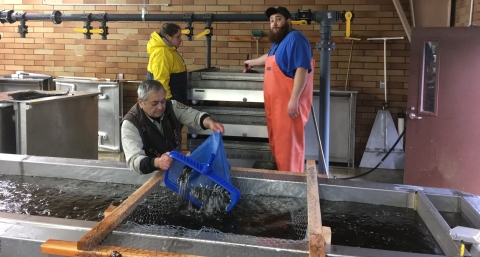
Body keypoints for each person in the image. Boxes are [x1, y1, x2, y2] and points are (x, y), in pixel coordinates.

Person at [244, 6, 314, 173]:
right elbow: (268, 59)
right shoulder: (279, 42)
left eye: (278, 19)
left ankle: (292, 185)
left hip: (287, 106)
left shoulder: (295, 39)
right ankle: (283, 180)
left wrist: (294, 100)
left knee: (288, 149)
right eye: (271, 20)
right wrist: (251, 62)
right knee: (278, 145)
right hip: (275, 108)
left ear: (288, 21)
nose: (274, 23)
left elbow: (302, 69)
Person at [121, 80, 225, 174]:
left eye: (163, 101)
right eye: (154, 103)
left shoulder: (172, 107)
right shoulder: (130, 124)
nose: (161, 107)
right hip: (148, 175)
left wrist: (210, 123)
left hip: (173, 170)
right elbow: (134, 160)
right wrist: (158, 162)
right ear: (140, 102)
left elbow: (195, 116)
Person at [146, 23, 188, 104]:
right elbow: (161, 81)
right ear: (168, 37)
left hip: (176, 101)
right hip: (171, 103)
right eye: (178, 37)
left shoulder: (169, 50)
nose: (181, 40)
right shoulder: (162, 53)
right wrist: (167, 103)